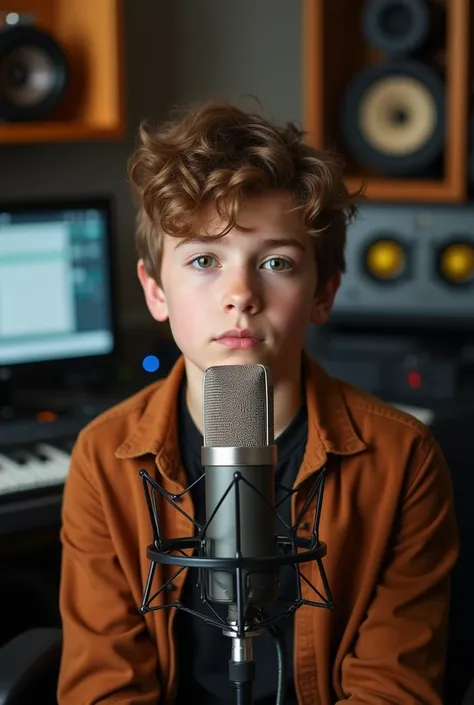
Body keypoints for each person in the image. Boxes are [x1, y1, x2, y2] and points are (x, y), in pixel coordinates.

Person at [57, 101, 459, 705]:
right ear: (155, 290)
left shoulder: (404, 459)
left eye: (276, 262)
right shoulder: (102, 456)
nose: (240, 294)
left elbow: (392, 687)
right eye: (203, 260)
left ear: (324, 293)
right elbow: (103, 686)